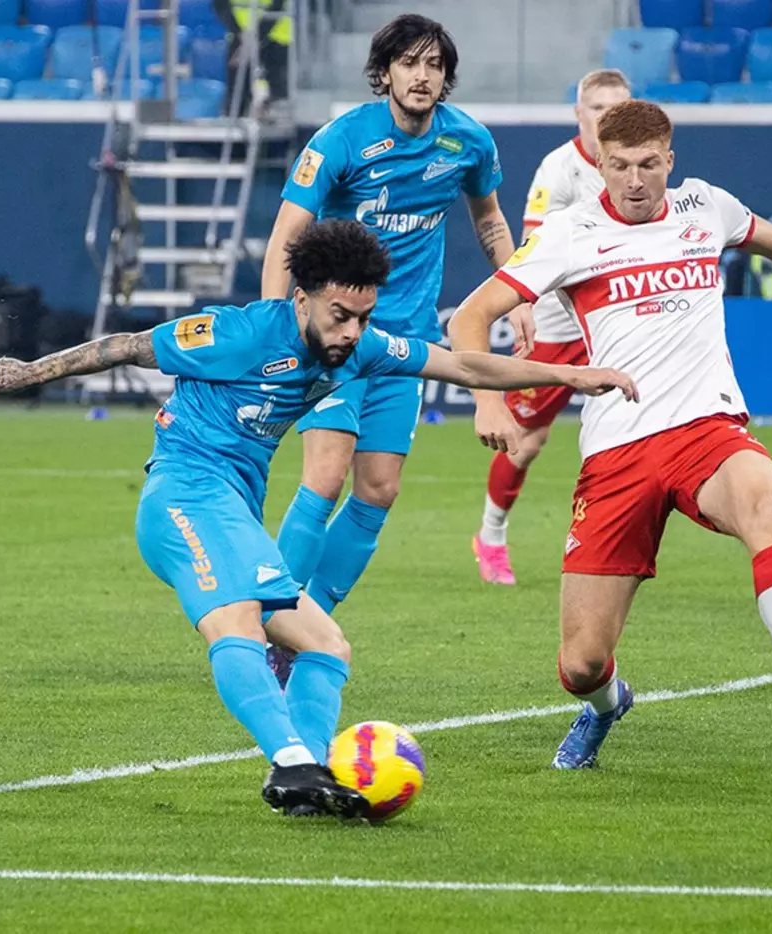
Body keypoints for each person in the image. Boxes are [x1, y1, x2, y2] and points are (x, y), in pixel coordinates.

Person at [0, 220, 636, 814]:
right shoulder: (241, 331)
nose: (353, 331)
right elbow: (127, 346)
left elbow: (463, 366)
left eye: (363, 317)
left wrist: (572, 378)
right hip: (185, 497)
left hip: (233, 512)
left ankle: (307, 776)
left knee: (326, 646)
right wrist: (24, 374)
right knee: (240, 623)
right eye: (340, 315)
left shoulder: (360, 347)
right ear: (302, 298)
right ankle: (289, 761)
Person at [449, 100, 772, 768]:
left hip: (705, 429)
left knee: (760, 494)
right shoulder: (571, 232)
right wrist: (487, 402)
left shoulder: (704, 206)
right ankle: (606, 705)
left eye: (649, 164)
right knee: (581, 664)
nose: (635, 180)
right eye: (620, 166)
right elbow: (469, 319)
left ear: (670, 161)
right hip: (617, 454)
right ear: (600, 164)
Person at [260, 14, 516, 635]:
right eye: (409, 63)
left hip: (404, 344)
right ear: (385, 72)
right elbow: (286, 236)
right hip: (335, 340)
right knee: (324, 476)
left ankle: (304, 628)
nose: (422, 76)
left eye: (434, 65)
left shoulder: (468, 142)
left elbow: (489, 219)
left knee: (378, 490)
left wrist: (521, 295)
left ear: (446, 77)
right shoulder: (341, 141)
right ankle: (270, 619)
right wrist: (275, 321)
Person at [464, 67, 632, 586]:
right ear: (579, 113)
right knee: (526, 441)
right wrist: (523, 303)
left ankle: (617, 542)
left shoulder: (635, 165)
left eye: (618, 107)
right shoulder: (559, 169)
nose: (608, 116)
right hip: (561, 328)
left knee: (632, 430)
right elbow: (534, 248)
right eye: (598, 107)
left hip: (615, 322)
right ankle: (491, 534)